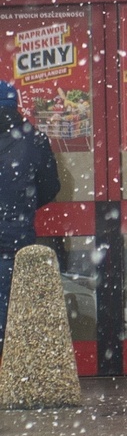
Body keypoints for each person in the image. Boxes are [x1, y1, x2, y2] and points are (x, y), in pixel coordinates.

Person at [0, 81, 61, 355]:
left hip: (14, 241)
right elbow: (50, 186)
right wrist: (23, 206)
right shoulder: (33, 138)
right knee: (15, 317)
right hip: (16, 243)